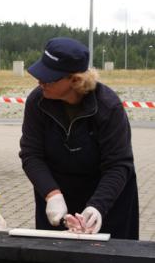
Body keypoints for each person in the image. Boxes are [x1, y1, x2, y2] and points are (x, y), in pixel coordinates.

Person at [19, 37, 139, 239]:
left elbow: (118, 164)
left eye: (48, 78)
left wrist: (97, 207)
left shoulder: (108, 107)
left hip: (107, 201)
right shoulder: (37, 102)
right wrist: (51, 193)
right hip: (58, 200)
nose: (40, 82)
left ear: (75, 80)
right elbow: (31, 154)